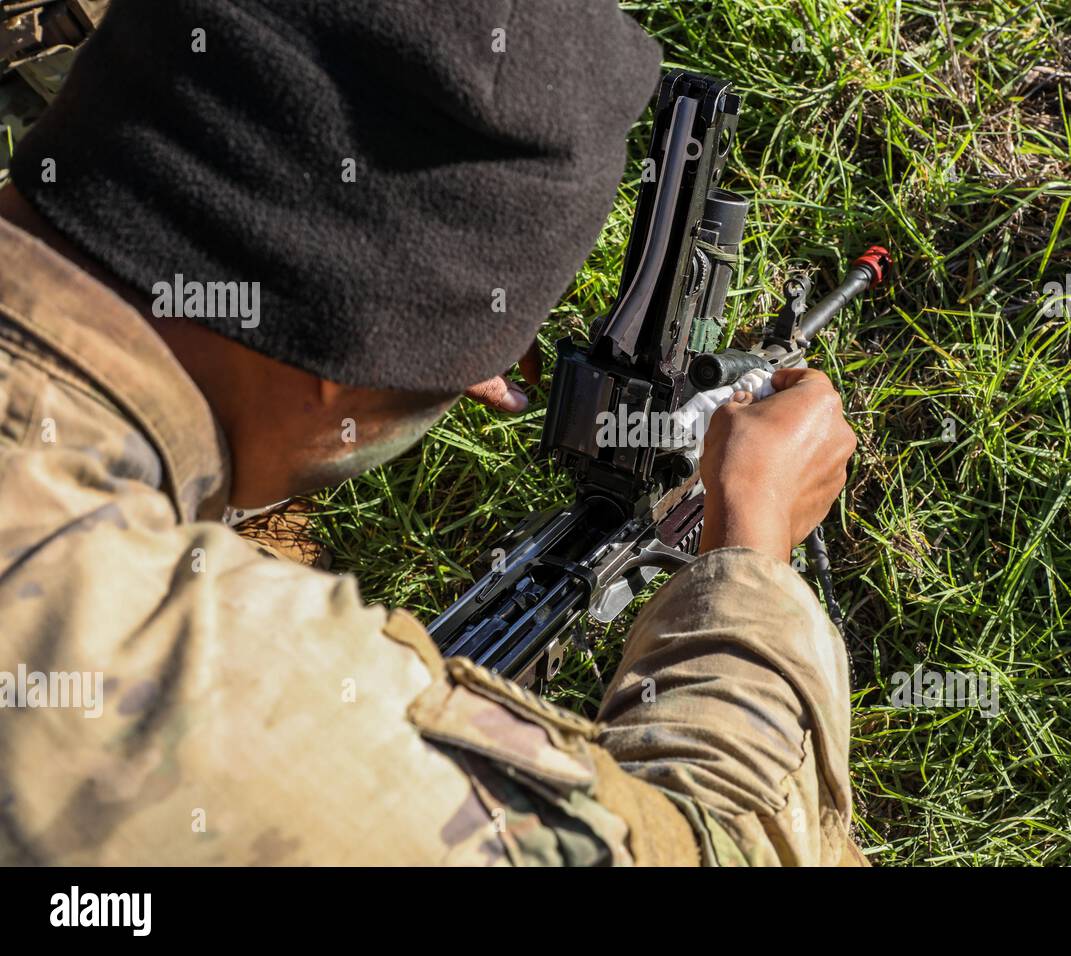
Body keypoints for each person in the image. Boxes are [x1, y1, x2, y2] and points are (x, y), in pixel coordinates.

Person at [0, 0, 859, 866]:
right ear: (335, 372)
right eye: (466, 368)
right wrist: (751, 539)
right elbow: (724, 848)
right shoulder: (215, 699)